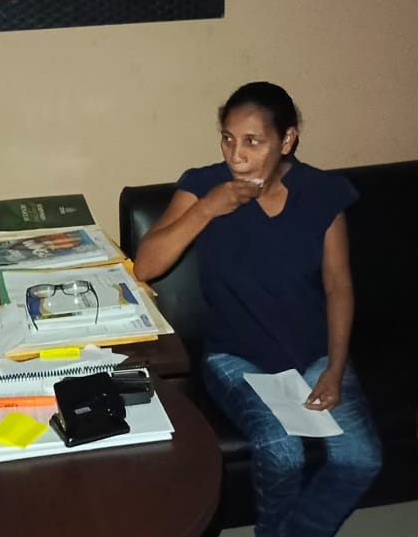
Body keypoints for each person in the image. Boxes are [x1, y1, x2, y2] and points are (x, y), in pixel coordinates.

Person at [134, 81, 381, 537]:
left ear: (287, 140)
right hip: (236, 356)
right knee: (282, 451)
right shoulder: (203, 185)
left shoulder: (322, 193)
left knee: (360, 459)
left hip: (315, 353)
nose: (236, 155)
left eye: (253, 141)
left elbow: (338, 285)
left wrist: (336, 366)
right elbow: (146, 266)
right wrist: (207, 209)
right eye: (228, 138)